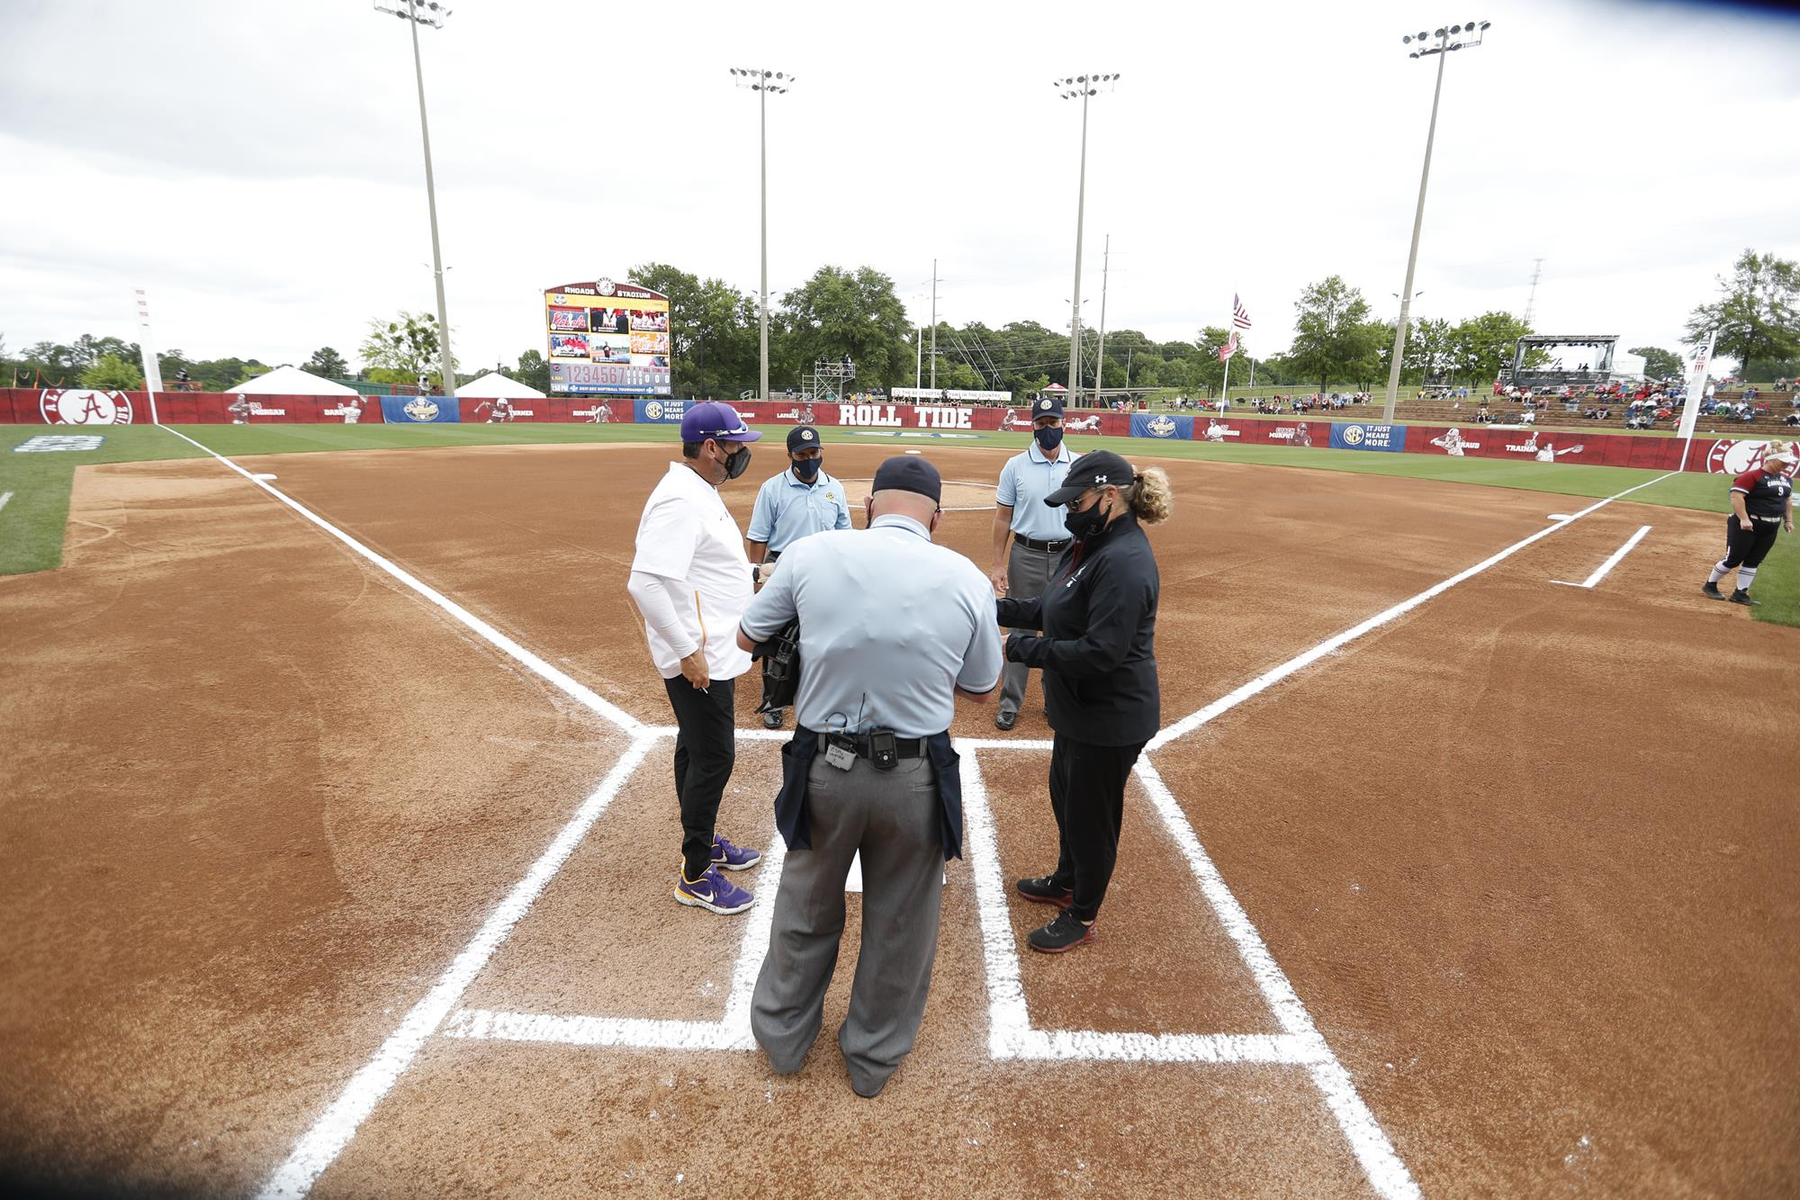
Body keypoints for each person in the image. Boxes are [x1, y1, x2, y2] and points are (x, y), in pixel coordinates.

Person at [738, 456, 1001, 1098]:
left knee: (805, 905)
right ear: (936, 518)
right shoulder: (965, 577)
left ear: (867, 506)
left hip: (824, 768)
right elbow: (982, 687)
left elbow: (748, 638)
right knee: (902, 920)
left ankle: (783, 1041)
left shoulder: (810, 554)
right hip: (915, 775)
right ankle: (872, 1059)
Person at [996, 449, 1170, 954]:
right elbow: (1050, 608)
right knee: (1066, 798)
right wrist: (989, 608)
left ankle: (1083, 912)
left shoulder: (1125, 561)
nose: (1070, 512)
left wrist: (1016, 648)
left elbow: (1102, 652)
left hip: (1110, 716)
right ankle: (1068, 879)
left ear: (1110, 496)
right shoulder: (1091, 545)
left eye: (1077, 502)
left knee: (1092, 819)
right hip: (1078, 709)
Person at [625, 401, 766, 915]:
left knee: (695, 746)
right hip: (699, 655)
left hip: (713, 647)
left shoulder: (699, 490)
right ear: (711, 447)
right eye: (735, 445)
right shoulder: (680, 501)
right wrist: (688, 654)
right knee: (714, 756)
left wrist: (757, 577)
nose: (740, 453)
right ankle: (696, 874)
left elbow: (707, 568)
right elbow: (644, 583)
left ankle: (703, 842)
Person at [745, 425, 854, 729]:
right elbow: (758, 536)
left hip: (825, 567)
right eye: (802, 454)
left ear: (821, 452)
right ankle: (773, 701)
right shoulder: (772, 488)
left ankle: (818, 698)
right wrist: (755, 577)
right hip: (781, 566)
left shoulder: (834, 488)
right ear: (790, 455)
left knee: (823, 635)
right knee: (778, 636)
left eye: (813, 452)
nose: (809, 459)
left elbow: (844, 534)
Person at [989, 394, 1077, 731]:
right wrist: (998, 565)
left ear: (1063, 423)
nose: (1047, 428)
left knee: (1062, 629)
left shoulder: (1077, 464)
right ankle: (1010, 703)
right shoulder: (1015, 466)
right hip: (1026, 554)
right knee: (1020, 628)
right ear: (1033, 426)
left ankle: (1056, 701)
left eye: (1053, 422)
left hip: (1068, 555)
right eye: (1041, 423)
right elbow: (1002, 518)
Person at [1702, 443, 1795, 606]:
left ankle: (1740, 593)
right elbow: (1736, 497)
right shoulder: (1751, 476)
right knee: (1733, 559)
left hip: (1770, 527)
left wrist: (1788, 520)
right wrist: (1744, 519)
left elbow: (1787, 500)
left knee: (1754, 560)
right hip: (1747, 524)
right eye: (1783, 461)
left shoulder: (1786, 480)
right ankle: (1710, 585)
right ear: (1771, 460)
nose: (1787, 465)